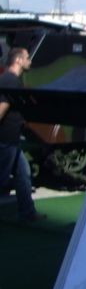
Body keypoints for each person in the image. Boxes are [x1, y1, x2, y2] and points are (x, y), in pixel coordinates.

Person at [0, 47, 45, 222]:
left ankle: (27, 212)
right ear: (18, 60)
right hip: (6, 140)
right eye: (27, 58)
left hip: (11, 140)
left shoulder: (6, 78)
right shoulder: (11, 81)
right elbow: (2, 107)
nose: (30, 61)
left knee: (23, 173)